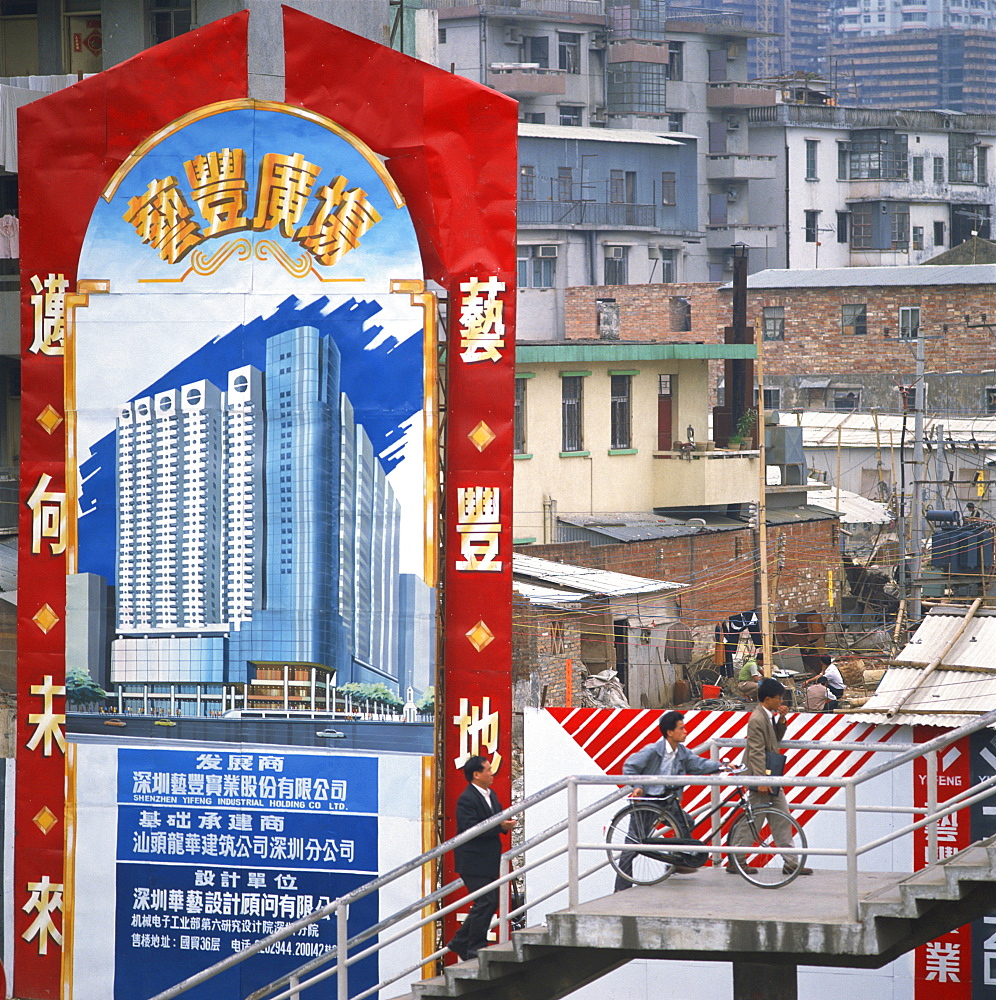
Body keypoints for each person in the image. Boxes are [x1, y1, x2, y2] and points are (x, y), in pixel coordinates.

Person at [614, 710, 727, 890]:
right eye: (681, 728)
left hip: (666, 800)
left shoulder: (681, 751)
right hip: (648, 800)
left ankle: (675, 862)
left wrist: (722, 766)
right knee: (634, 845)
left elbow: (698, 764)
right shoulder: (652, 750)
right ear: (670, 732)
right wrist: (637, 785)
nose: (686, 732)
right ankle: (622, 886)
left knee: (687, 822)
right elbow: (630, 766)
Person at [728, 677, 812, 876]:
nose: (781, 702)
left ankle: (791, 862)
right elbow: (756, 751)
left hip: (769, 775)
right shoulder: (756, 719)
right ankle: (736, 859)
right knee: (755, 820)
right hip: (762, 776)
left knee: (781, 817)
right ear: (767, 699)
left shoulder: (767, 715)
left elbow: (775, 739)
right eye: (778, 698)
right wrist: (761, 781)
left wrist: (782, 719)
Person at [446, 755, 517, 961]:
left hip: (488, 858)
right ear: (476, 775)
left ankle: (461, 940)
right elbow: (472, 828)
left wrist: (504, 824)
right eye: (487, 770)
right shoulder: (467, 798)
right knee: (485, 901)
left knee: (488, 901)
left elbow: (494, 819)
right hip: (473, 860)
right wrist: (499, 827)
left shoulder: (491, 794)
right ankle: (473, 946)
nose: (491, 773)